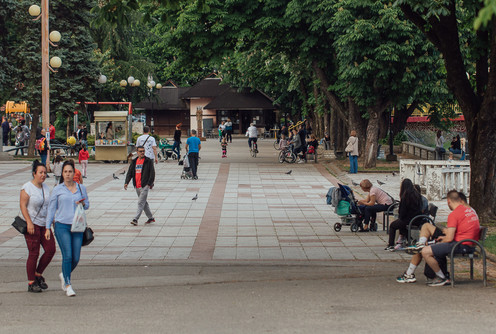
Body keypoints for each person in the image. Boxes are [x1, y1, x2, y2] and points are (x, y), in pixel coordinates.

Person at [397, 191, 480, 286]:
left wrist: (438, 240)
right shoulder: (470, 210)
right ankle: (420, 246)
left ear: (448, 201)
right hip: (466, 242)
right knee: (426, 227)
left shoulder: (454, 214)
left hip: (460, 244)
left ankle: (442, 278)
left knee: (424, 251)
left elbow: (449, 238)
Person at [46, 160, 89, 297]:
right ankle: (68, 284)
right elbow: (51, 209)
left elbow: (87, 205)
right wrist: (47, 227)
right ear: (62, 174)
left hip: (77, 225)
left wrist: (82, 203)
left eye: (70, 171)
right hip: (61, 225)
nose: (68, 174)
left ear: (74, 172)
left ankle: (64, 274)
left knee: (76, 257)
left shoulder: (81, 188)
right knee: (67, 255)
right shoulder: (58, 189)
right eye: (65, 172)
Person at [20, 161, 55, 292]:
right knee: (33, 253)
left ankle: (38, 274)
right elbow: (23, 206)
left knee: (51, 249)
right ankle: (31, 282)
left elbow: (48, 207)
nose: (43, 175)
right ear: (34, 173)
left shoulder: (46, 188)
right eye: (40, 172)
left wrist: (51, 222)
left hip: (44, 225)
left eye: (45, 173)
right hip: (32, 225)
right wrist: (29, 222)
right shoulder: (27, 187)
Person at [384, 179, 423, 251]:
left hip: (409, 219)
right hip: (417, 218)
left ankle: (391, 244)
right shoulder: (416, 195)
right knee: (401, 224)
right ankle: (407, 239)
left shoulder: (405, 197)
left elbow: (402, 212)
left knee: (393, 225)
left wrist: (400, 216)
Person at [124, 145, 156, 225]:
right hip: (137, 185)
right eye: (140, 151)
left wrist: (149, 184)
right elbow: (130, 172)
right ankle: (151, 218)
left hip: (145, 185)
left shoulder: (148, 161)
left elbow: (152, 173)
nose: (142, 153)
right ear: (137, 152)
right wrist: (126, 182)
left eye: (143, 151)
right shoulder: (134, 161)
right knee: (144, 202)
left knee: (140, 202)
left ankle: (135, 219)